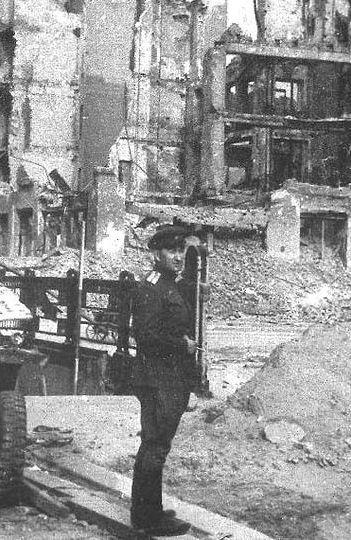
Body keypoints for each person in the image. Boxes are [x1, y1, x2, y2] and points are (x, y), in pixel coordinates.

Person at [129, 225, 198, 537]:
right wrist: (181, 344)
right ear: (156, 254)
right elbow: (146, 335)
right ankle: (147, 516)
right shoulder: (152, 287)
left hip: (168, 378)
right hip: (157, 378)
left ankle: (149, 509)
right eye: (172, 251)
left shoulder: (169, 285)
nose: (178, 257)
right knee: (155, 446)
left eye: (181, 250)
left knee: (157, 445)